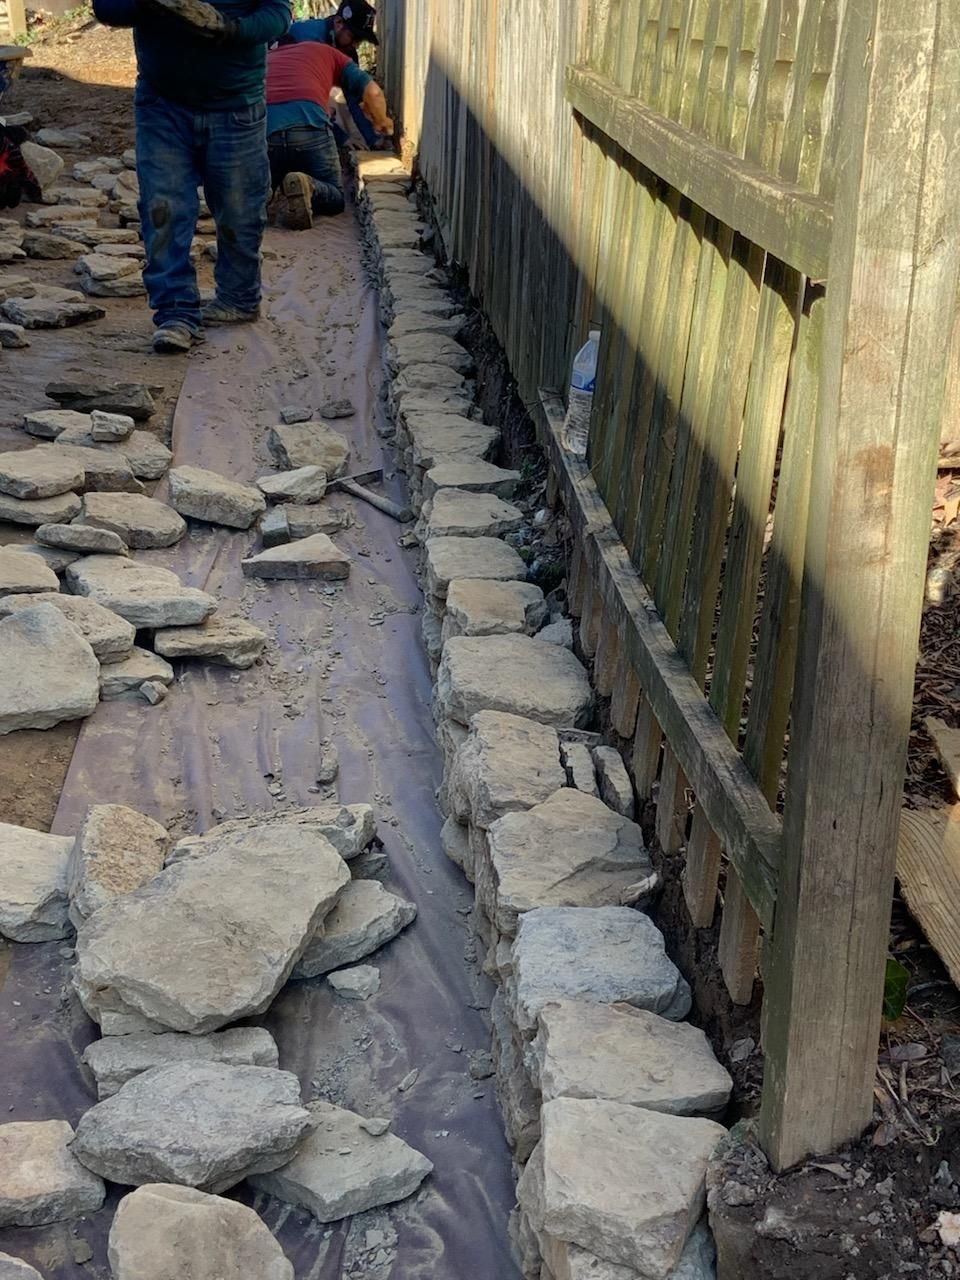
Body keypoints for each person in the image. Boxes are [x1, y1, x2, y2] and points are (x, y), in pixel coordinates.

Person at [92, 0, 291, 354]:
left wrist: (228, 29)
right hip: (163, 103)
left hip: (236, 104)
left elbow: (278, 13)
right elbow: (107, 6)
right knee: (164, 206)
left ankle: (239, 297)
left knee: (240, 209)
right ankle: (176, 314)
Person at [266, 39, 392, 229]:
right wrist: (382, 122)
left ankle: (266, 192)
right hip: (310, 129)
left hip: (267, 132)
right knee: (335, 197)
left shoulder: (265, 58)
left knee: (262, 184)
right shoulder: (327, 52)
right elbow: (373, 92)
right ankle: (310, 186)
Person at [285, 1, 382, 151]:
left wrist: (373, 139)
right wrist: (341, 138)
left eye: (360, 41)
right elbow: (308, 102)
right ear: (338, 23)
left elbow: (353, 98)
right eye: (354, 37)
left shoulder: (345, 47)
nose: (356, 45)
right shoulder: (310, 43)